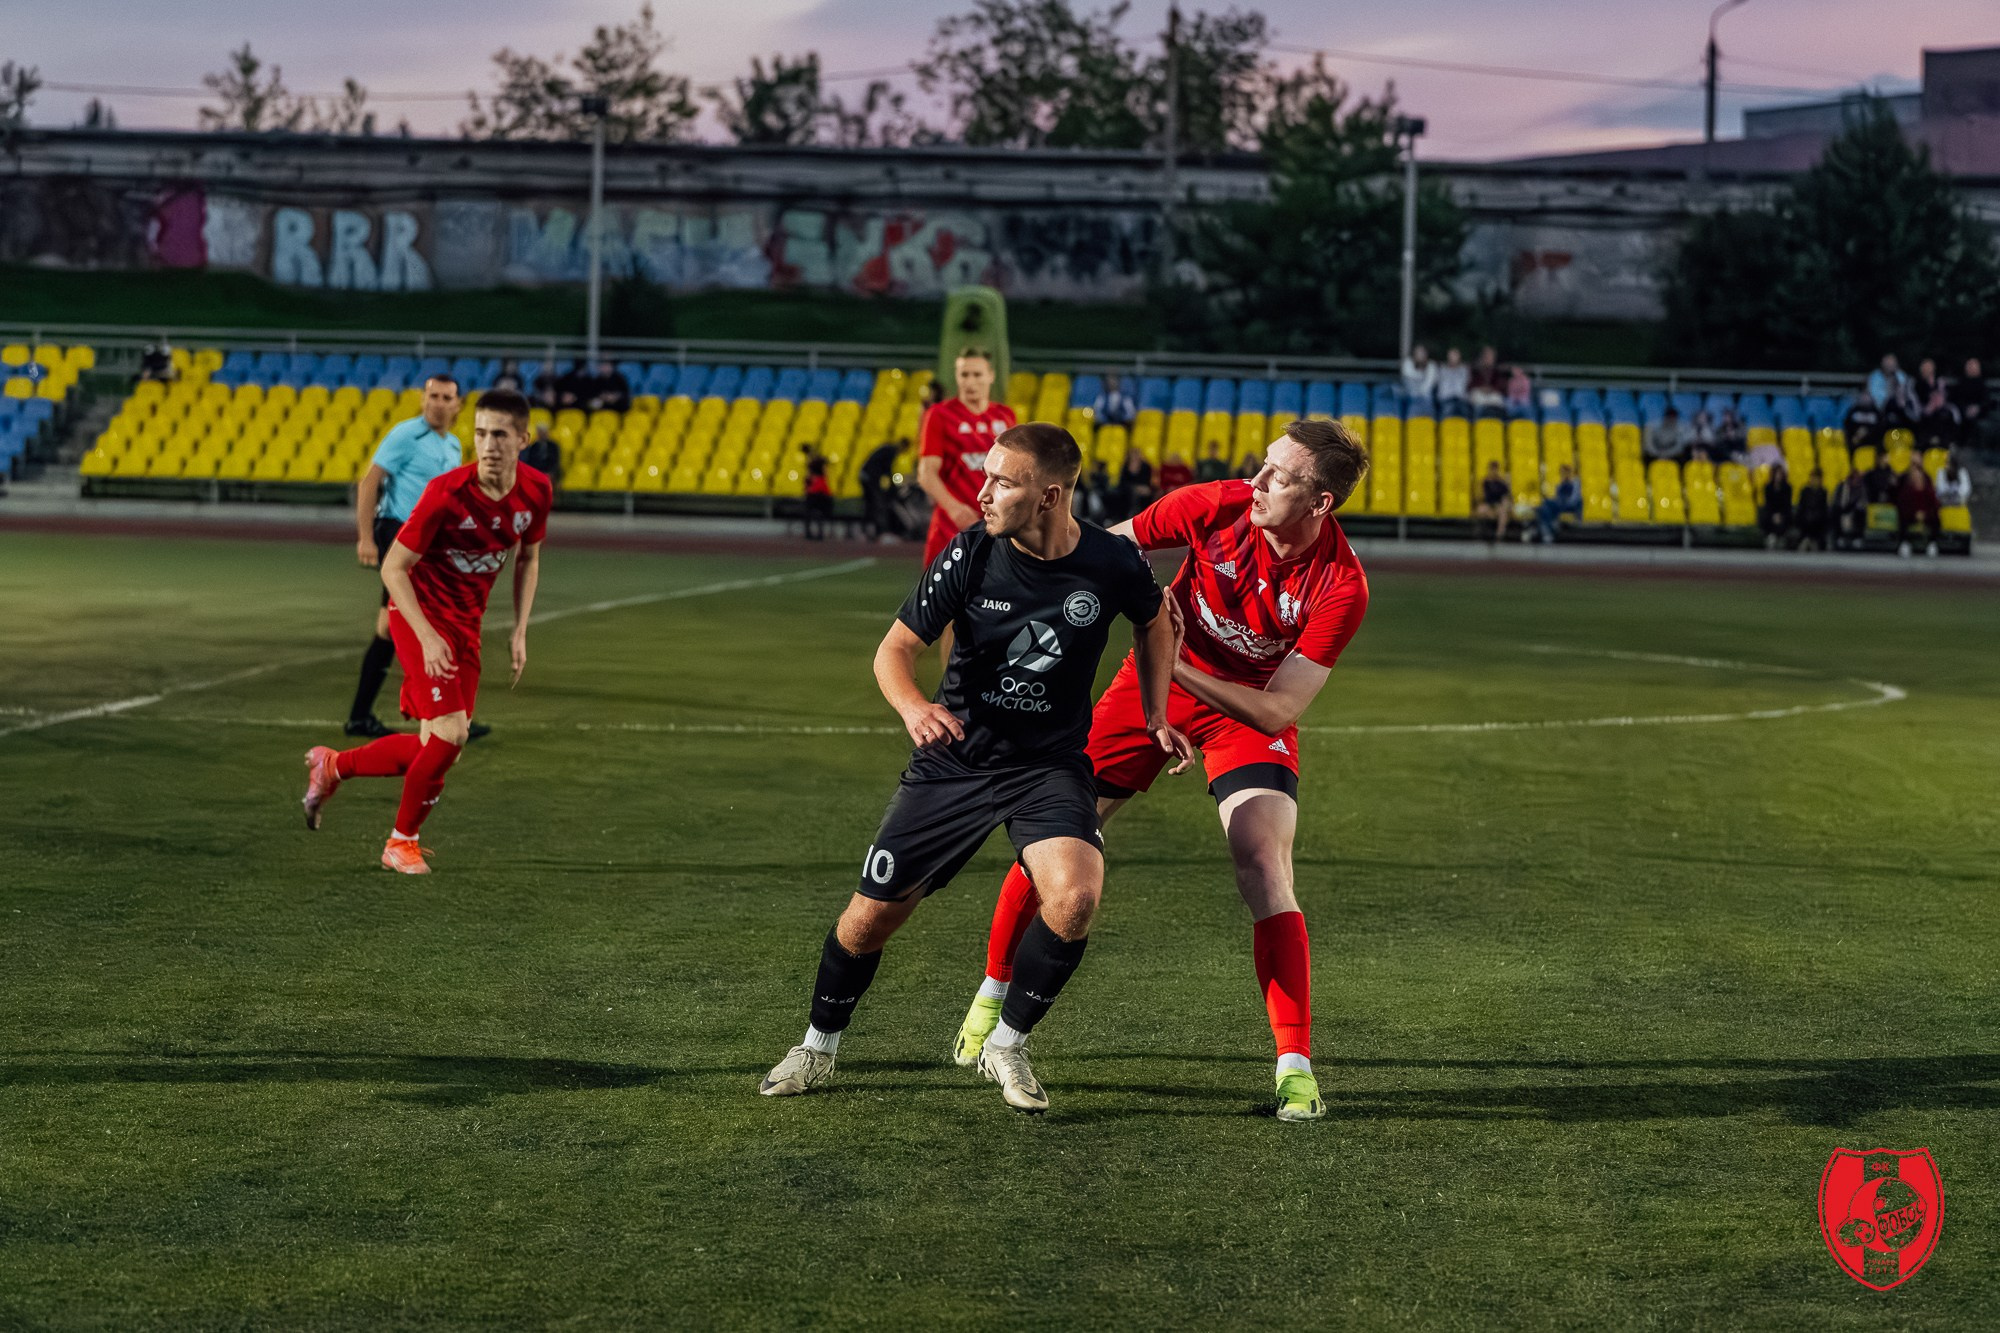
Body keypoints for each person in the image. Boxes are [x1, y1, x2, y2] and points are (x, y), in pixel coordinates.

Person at [758, 422, 1190, 1113]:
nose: (982, 492)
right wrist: (912, 707)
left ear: (1049, 496)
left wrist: (1156, 711)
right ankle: (817, 1044)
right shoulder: (970, 555)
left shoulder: (1111, 562)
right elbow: (893, 650)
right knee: (869, 920)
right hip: (955, 762)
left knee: (1075, 895)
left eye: (1002, 481)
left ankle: (1007, 1045)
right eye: (985, 476)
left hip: (1048, 766)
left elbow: (1156, 617)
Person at [951, 419, 1372, 1123]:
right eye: (1262, 464)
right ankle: (993, 990)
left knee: (1264, 864)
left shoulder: (1341, 584)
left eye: (1279, 475)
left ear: (1321, 503)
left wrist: (1170, 655)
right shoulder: (1216, 504)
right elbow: (1097, 548)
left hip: (1242, 708)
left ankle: (1295, 1067)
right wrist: (1140, 620)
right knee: (1061, 832)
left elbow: (1277, 710)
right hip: (1150, 687)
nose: (1257, 482)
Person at [302, 389, 552, 873]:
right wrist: (428, 636)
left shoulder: (536, 491)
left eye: (500, 434)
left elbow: (530, 557)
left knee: (434, 748)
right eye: (480, 433)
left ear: (522, 439)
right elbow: (394, 569)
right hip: (417, 615)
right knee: (453, 734)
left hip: (465, 625)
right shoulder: (447, 493)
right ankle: (401, 842)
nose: (488, 445)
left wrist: (520, 630)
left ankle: (333, 766)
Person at [346, 374, 488, 742]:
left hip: (430, 543)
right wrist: (366, 537)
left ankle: (366, 716)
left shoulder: (453, 445)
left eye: (446, 397)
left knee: (390, 629)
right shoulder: (406, 435)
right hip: (398, 535)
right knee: (418, 624)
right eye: (433, 395)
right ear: (423, 399)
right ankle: (445, 716)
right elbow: (369, 482)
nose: (438, 403)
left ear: (458, 404)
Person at [918, 348, 1018, 667]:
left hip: (995, 531)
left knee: (993, 614)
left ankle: (982, 689)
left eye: (977, 374)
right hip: (952, 531)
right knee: (953, 616)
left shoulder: (1006, 417)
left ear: (990, 376)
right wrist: (955, 508)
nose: (970, 381)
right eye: (964, 374)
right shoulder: (940, 415)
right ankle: (952, 696)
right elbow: (926, 473)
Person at [858, 440, 903, 540]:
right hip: (870, 478)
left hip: (866, 476)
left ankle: (867, 531)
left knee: (870, 505)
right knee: (877, 504)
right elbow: (887, 470)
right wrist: (893, 487)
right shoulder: (890, 451)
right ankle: (880, 532)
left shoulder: (886, 448)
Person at [1896, 459, 1941, 557]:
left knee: (1936, 519)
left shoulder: (1929, 492)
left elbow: (1935, 505)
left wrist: (1925, 514)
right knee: (1902, 519)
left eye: (1919, 476)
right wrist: (1914, 514)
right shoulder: (1907, 492)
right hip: (1911, 516)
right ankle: (1904, 543)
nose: (1917, 478)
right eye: (1914, 477)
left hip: (1926, 516)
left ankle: (1932, 544)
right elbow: (1903, 506)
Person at [1948, 357, 1991, 451]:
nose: (1971, 369)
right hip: (1962, 411)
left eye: (1973, 367)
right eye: (1969, 366)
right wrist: (1965, 408)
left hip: (1978, 412)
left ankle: (1966, 446)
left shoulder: (1982, 383)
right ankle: (1959, 445)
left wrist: (1977, 408)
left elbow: (1986, 400)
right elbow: (1955, 398)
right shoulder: (1961, 382)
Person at [1532, 463, 1581, 543]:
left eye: (1563, 472)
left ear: (1568, 472)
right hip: (1560, 504)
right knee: (1545, 508)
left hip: (1569, 504)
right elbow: (1558, 496)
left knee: (1546, 504)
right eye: (1561, 472)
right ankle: (1550, 528)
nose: (1562, 474)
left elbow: (1574, 499)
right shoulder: (1561, 483)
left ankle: (1548, 530)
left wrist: (1562, 501)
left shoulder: (1575, 482)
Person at [1113, 449, 1155, 522]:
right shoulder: (1125, 466)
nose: (1135, 457)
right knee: (1131, 493)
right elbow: (1122, 482)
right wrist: (1135, 487)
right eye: (1133, 455)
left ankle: (1141, 517)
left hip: (1142, 489)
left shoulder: (1146, 466)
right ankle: (1129, 516)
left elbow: (1147, 481)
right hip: (1127, 490)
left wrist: (1142, 488)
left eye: (1137, 454)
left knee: (1145, 494)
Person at [1794, 468, 1830, 551]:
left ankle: (1812, 541)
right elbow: (1801, 508)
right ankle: (1806, 540)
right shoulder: (1804, 491)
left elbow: (1823, 510)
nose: (1815, 480)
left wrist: (1815, 516)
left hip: (1817, 524)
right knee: (1805, 519)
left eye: (1817, 478)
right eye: (1813, 478)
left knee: (1818, 520)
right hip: (1805, 522)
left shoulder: (1823, 492)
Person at [1760, 462, 1793, 549]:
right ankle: (1771, 536)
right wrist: (1773, 515)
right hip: (1771, 514)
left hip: (1783, 513)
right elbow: (1768, 504)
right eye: (1777, 473)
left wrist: (1780, 515)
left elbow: (1787, 505)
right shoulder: (1768, 487)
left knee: (1787, 517)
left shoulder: (1787, 488)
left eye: (1780, 474)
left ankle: (1781, 538)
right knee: (1766, 516)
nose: (1778, 476)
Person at [1475, 460, 1512, 540]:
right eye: (1492, 469)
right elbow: (1479, 498)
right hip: (1487, 506)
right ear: (1489, 470)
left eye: (1495, 469)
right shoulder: (1484, 482)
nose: (1493, 471)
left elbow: (1505, 498)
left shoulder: (1502, 483)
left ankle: (1499, 535)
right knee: (1481, 510)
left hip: (1498, 507)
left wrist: (1501, 507)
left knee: (1503, 512)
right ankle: (1482, 535)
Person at [1833, 470, 1869, 550]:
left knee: (1861, 512)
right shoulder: (1842, 486)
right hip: (1844, 509)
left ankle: (1857, 538)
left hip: (1856, 511)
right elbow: (1837, 501)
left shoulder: (1861, 487)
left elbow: (1864, 502)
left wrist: (1857, 506)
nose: (1854, 480)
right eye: (1852, 478)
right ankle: (1840, 537)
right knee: (1835, 511)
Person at [802, 450, 833, 540]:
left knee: (810, 514)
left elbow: (807, 482)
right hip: (821, 492)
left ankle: (809, 533)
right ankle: (819, 533)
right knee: (820, 514)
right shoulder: (821, 475)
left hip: (813, 492)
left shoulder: (812, 473)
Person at [1917, 386, 1961, 450]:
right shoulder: (1926, 410)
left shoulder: (1950, 410)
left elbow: (1955, 429)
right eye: (1933, 397)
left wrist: (1940, 440)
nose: (1935, 399)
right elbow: (1921, 429)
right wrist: (1927, 413)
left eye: (1938, 396)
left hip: (1944, 443)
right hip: (1928, 442)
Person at [1466, 346, 1505, 415]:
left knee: (1499, 400)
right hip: (1479, 394)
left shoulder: (1497, 370)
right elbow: (1470, 385)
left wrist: (1491, 389)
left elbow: (1501, 386)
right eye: (1487, 356)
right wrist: (1481, 388)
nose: (1489, 358)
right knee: (1475, 398)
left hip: (1492, 394)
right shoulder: (1475, 369)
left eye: (1491, 356)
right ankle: (1477, 423)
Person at [1435, 347, 1470, 415]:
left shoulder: (1464, 370)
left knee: (1465, 411)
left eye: (1455, 356)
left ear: (1459, 357)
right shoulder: (1442, 369)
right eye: (1451, 355)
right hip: (1446, 398)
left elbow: (1465, 385)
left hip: (1460, 399)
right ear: (1448, 356)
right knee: (1448, 409)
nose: (1453, 358)